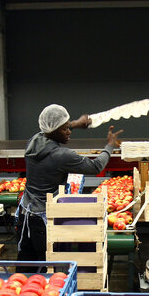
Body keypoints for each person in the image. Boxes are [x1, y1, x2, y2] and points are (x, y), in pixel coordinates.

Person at [16, 104, 123, 267]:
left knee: (25, 268)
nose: (69, 132)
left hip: (25, 215)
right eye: (65, 129)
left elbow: (50, 127)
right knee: (46, 273)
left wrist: (76, 123)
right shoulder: (62, 155)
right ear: (56, 130)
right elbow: (96, 167)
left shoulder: (33, 142)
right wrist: (109, 145)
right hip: (43, 222)